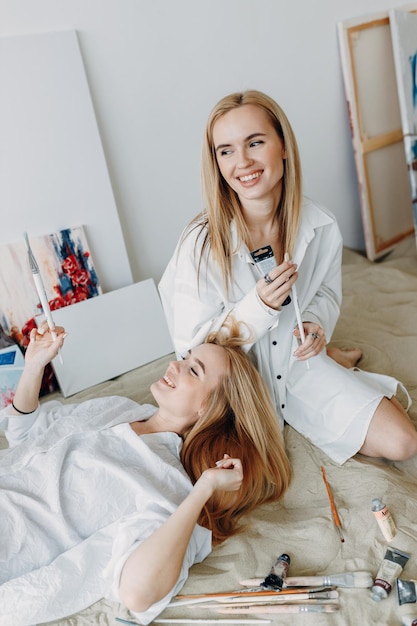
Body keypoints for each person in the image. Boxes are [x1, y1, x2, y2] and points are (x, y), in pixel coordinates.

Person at [159, 89, 417, 465]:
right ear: (215, 162)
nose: (242, 162)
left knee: (403, 442)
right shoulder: (200, 242)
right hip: (237, 391)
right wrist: (258, 307)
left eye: (255, 142)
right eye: (226, 150)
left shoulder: (321, 225)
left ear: (282, 145)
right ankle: (337, 360)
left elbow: (326, 293)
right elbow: (189, 349)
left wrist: (315, 323)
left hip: (300, 368)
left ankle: (330, 358)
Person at [0, 320, 290, 626]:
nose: (175, 365)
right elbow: (26, 436)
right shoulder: (119, 408)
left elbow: (137, 593)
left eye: (194, 370)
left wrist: (203, 489)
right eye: (185, 358)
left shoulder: (169, 486)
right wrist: (33, 366)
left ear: (210, 407)